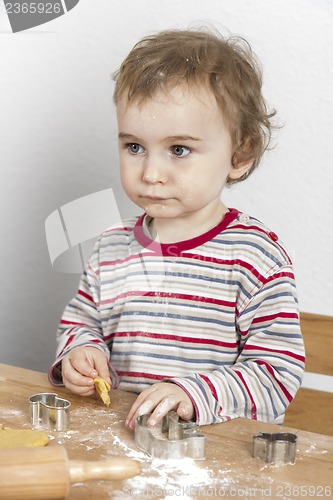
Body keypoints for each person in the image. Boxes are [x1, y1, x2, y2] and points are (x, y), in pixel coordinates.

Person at [49, 28, 305, 429]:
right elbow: (81, 321)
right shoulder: (112, 245)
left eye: (179, 150)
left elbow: (276, 374)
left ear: (240, 154)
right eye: (134, 147)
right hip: (121, 443)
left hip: (213, 455)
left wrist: (193, 394)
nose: (151, 173)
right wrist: (80, 354)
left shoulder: (255, 257)